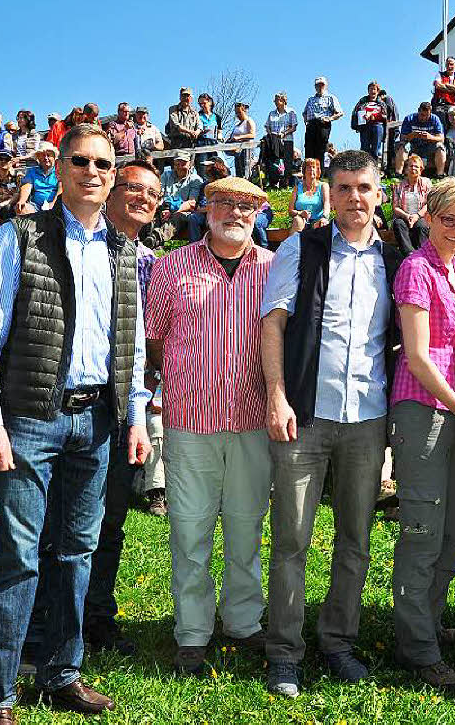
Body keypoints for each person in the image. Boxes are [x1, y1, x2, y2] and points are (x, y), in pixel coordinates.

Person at [0, 122, 151, 722]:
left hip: (97, 420)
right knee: (18, 555)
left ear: (113, 175)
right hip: (29, 419)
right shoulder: (22, 238)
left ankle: (61, 672)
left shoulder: (125, 251)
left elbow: (135, 342)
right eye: (80, 162)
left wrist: (137, 416)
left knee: (77, 551)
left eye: (102, 164)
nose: (91, 173)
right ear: (59, 168)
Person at [261, 150, 403, 698]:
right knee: (292, 539)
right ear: (329, 193)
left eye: (363, 188)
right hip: (306, 413)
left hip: (367, 417)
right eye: (343, 188)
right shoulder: (300, 248)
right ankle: (284, 654)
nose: (354, 198)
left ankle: (339, 641)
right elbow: (272, 326)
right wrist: (277, 397)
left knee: (355, 539)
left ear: (378, 193)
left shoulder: (393, 259)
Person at [145, 175, 274, 675]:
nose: (235, 213)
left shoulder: (274, 268)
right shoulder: (171, 266)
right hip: (190, 419)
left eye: (246, 205)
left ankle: (243, 622)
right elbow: (154, 340)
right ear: (206, 209)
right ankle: (193, 634)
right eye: (224, 202)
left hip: (252, 420)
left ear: (260, 211)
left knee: (246, 528)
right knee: (190, 531)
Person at [390, 177, 455, 692]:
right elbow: (417, 355)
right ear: (428, 217)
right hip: (422, 410)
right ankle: (418, 648)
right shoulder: (416, 269)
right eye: (448, 218)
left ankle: (425, 620)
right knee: (423, 532)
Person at [61, 159, 164, 656]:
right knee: (61, 520)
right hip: (70, 401)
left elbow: (156, 337)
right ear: (110, 190)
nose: (141, 197)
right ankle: (52, 619)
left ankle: (97, 614)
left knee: (112, 516)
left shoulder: (152, 263)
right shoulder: (74, 244)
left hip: (125, 406)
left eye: (151, 191)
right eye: (131, 187)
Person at [392, 154, 432, 254]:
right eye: (410, 166)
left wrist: (417, 216)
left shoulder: (426, 183)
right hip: (404, 217)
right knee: (398, 224)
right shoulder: (399, 186)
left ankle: (422, 254)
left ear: (421, 170)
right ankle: (409, 254)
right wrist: (407, 216)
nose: (413, 168)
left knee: (421, 225)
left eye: (416, 166)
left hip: (420, 216)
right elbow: (395, 207)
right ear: (405, 169)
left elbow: (429, 203)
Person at [394, 102, 446, 178]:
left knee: (440, 146)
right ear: (418, 111)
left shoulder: (435, 119)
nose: (424, 118)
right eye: (422, 115)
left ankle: (440, 174)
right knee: (403, 146)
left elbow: (441, 138)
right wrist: (412, 135)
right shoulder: (409, 119)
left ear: (430, 113)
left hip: (429, 146)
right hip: (413, 145)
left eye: (427, 116)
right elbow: (402, 138)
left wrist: (430, 137)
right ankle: (398, 174)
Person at [302, 76, 343, 161]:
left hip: (323, 124)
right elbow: (304, 112)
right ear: (315, 87)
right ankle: (308, 172)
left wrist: (329, 118)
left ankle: (320, 172)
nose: (320, 87)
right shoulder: (311, 99)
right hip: (311, 125)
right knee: (309, 149)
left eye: (322, 85)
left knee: (321, 150)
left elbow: (340, 113)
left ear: (326, 86)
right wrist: (306, 121)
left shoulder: (331, 98)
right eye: (318, 85)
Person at [16, 143, 61, 214]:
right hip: (35, 206)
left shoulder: (60, 171)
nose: (46, 158)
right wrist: (22, 200)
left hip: (55, 205)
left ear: (54, 157)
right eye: (43, 155)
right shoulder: (32, 171)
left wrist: (53, 203)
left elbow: (61, 189)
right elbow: (27, 186)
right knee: (22, 209)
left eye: (48, 155)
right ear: (38, 158)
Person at [265, 92, 298, 185]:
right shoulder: (271, 114)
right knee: (274, 161)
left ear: (283, 101)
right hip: (274, 141)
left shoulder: (291, 112)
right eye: (275, 100)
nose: (275, 102)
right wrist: (271, 135)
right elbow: (267, 126)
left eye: (277, 100)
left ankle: (286, 183)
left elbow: (294, 127)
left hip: (286, 140)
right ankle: (274, 182)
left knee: (287, 162)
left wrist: (284, 133)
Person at [350, 82, 388, 162]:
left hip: (377, 126)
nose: (372, 91)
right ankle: (364, 167)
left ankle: (374, 167)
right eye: (370, 89)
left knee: (375, 150)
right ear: (368, 91)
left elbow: (385, 115)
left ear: (377, 91)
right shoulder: (362, 101)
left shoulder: (381, 103)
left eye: (374, 89)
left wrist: (374, 115)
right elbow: (355, 113)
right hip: (365, 126)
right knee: (364, 149)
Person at [289, 157, 329, 231]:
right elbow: (290, 211)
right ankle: (295, 242)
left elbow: (327, 203)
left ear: (318, 171)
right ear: (304, 171)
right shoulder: (297, 188)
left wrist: (324, 217)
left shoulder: (323, 186)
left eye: (314, 167)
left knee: (324, 224)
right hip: (301, 220)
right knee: (297, 220)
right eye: (309, 168)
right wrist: (300, 213)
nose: (312, 170)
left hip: (318, 220)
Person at [226, 102, 256, 179]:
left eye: (239, 112)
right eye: (236, 113)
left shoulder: (249, 121)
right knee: (238, 172)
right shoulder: (237, 125)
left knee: (245, 170)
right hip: (237, 151)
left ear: (244, 111)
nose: (237, 115)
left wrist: (239, 137)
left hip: (246, 150)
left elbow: (252, 134)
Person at [431, 57, 455, 126]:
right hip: (439, 105)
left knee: (452, 126)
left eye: (451, 64)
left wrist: (447, 85)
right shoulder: (439, 75)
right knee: (440, 126)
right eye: (447, 64)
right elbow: (438, 86)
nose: (449, 66)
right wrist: (454, 89)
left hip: (451, 106)